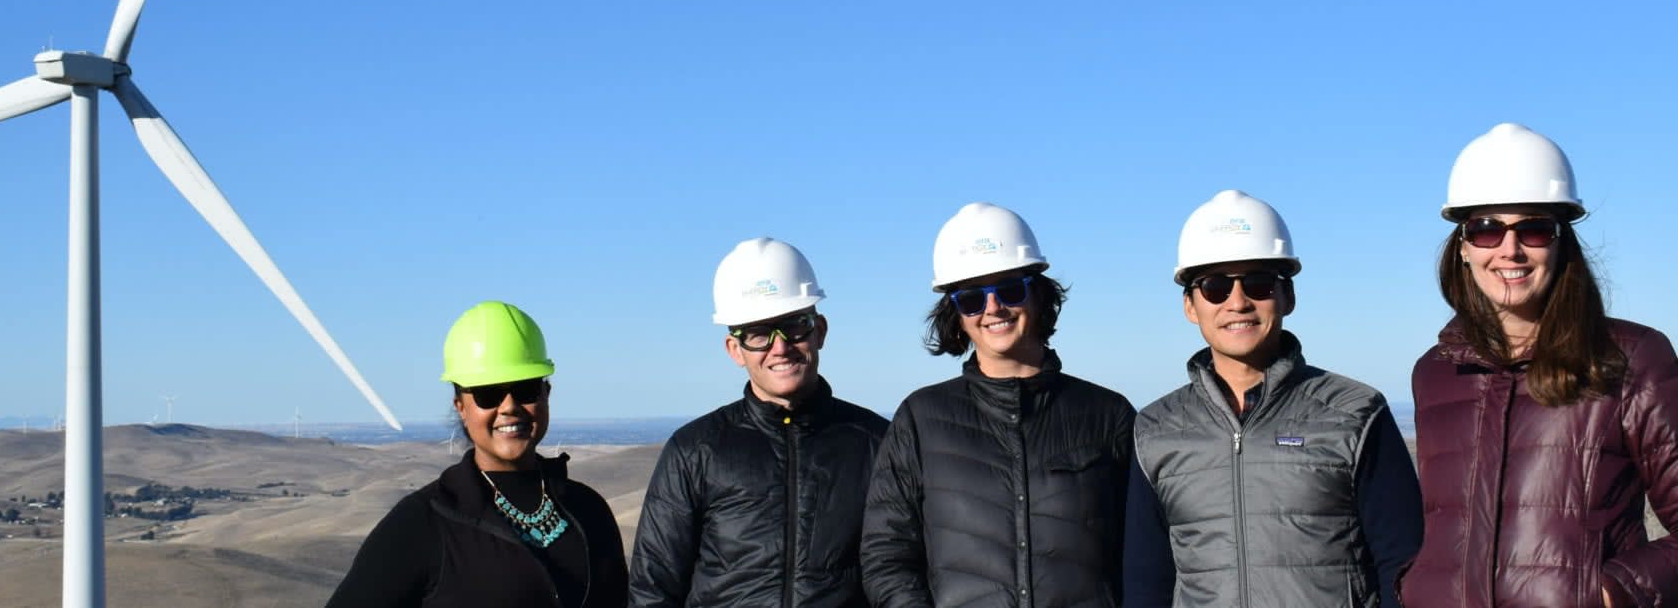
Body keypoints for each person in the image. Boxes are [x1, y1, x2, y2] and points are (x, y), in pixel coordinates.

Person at [1401, 123, 1678, 607]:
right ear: (1463, 248)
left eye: (1533, 228)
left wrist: (1614, 590)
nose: (1510, 249)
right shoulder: (1435, 372)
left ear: (1560, 242)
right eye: (1486, 229)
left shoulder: (1629, 357)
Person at [1122, 189, 1422, 608]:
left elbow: (1401, 564)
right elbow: (1145, 582)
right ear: (1190, 305)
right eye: (1215, 286)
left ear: (1288, 297)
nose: (1238, 302)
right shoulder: (1156, 429)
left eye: (1259, 283)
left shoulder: (1355, 412)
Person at [862, 202, 1136, 607]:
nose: (993, 308)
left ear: (1038, 294)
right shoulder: (920, 420)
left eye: (1008, 289)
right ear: (955, 314)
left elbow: (1144, 556)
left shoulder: (1107, 415)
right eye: (971, 298)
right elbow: (887, 554)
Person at [629, 237, 890, 607]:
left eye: (793, 325)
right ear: (735, 349)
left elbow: (900, 573)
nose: (779, 347)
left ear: (819, 331)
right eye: (758, 334)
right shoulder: (694, 451)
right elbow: (652, 589)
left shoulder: (876, 443)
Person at [328, 301, 628, 608]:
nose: (509, 406)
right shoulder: (421, 524)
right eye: (489, 394)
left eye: (525, 388)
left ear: (546, 395)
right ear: (461, 406)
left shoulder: (590, 511)